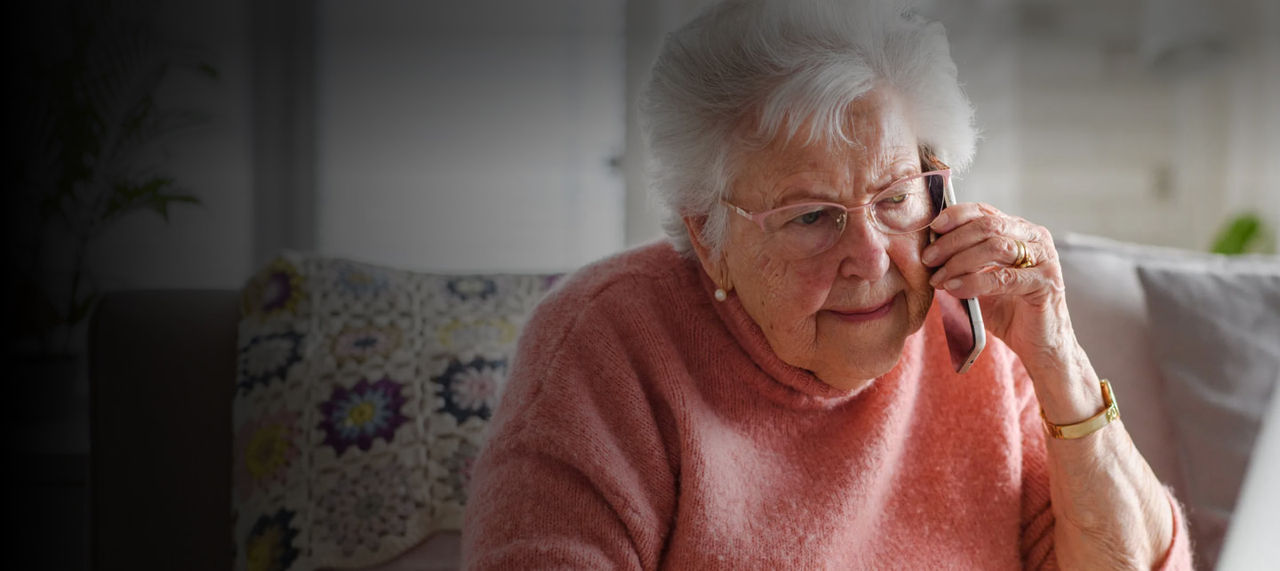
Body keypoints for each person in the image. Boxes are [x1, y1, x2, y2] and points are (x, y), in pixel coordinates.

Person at [461, 0, 1193, 567]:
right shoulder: (604, 346)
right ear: (709, 241)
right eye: (811, 216)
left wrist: (1060, 362)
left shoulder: (978, 336)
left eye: (895, 198)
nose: (870, 258)